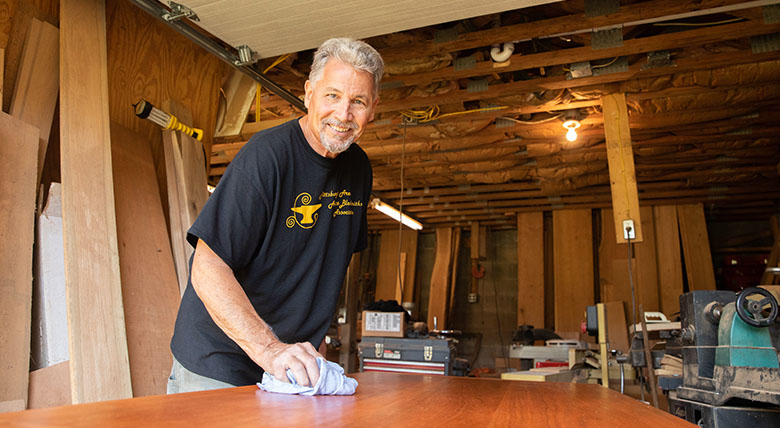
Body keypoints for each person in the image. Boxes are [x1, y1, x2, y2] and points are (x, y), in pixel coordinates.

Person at [167, 37, 383, 393]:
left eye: (357, 101)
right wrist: (269, 349)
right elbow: (207, 268)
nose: (343, 115)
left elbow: (325, 269)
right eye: (332, 95)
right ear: (308, 93)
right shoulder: (266, 158)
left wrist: (317, 347)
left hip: (289, 371)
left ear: (373, 107)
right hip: (219, 364)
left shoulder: (358, 169)